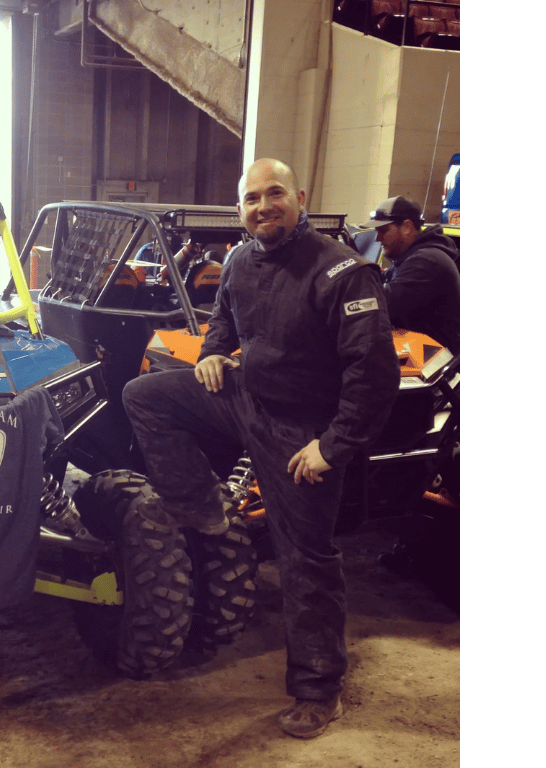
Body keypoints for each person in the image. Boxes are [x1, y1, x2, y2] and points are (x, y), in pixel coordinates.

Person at [123, 158, 399, 740]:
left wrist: (332, 447)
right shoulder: (242, 261)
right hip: (248, 399)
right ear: (240, 210)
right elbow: (225, 318)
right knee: (146, 395)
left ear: (299, 197)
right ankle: (203, 508)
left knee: (305, 560)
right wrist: (213, 356)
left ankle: (319, 689)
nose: (263, 206)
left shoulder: (343, 273)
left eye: (275, 194)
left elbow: (373, 376)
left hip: (304, 431)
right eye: (252, 198)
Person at [361, 196, 460, 355]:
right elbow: (380, 284)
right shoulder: (407, 259)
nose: (378, 238)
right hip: (419, 355)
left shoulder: (427, 261)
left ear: (406, 227)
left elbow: (382, 304)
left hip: (437, 367)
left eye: (383, 230)